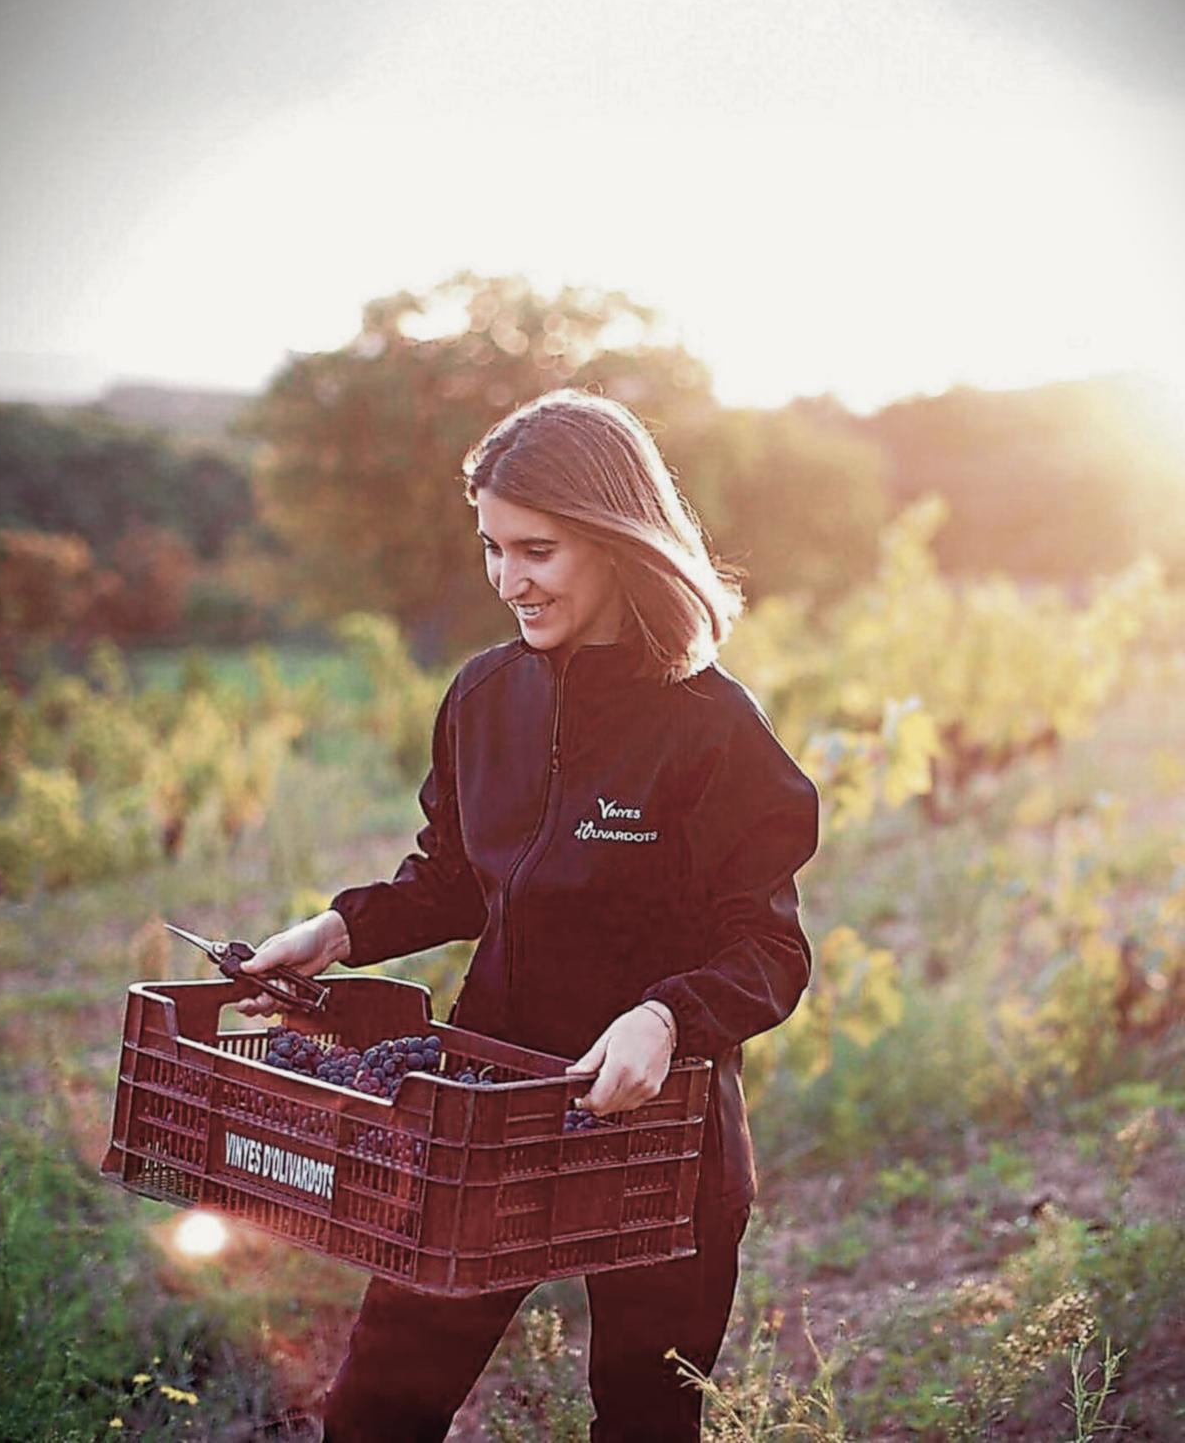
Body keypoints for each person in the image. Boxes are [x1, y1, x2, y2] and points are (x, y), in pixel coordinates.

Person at [237, 388, 821, 1443]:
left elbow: (767, 947)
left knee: (647, 1417)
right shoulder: (481, 697)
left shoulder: (712, 727)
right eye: (494, 548)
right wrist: (340, 929)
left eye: (538, 549)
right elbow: (455, 877)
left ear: (613, 538)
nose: (511, 578)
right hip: (486, 1105)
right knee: (379, 1406)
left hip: (663, 1134)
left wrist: (666, 1018)